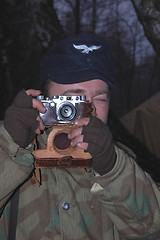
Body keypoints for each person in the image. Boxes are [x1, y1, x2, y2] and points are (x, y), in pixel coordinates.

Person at [0, 34, 160, 240]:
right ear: (44, 100)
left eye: (100, 99)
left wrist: (113, 170)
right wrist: (8, 145)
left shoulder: (120, 161)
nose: (89, 110)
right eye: (73, 99)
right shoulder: (14, 146)